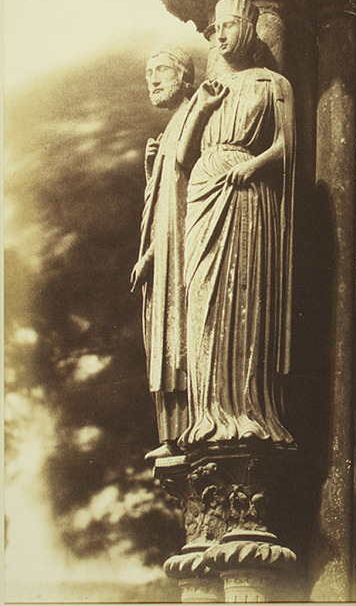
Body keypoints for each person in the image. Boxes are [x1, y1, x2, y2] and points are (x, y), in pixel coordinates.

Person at [176, 0, 296, 448]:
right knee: (202, 296)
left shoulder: (272, 84)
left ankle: (245, 409)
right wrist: (203, 108)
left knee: (240, 299)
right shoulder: (208, 91)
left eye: (228, 27)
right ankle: (208, 413)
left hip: (246, 192)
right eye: (215, 29)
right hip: (205, 189)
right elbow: (184, 157)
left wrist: (253, 165)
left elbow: (286, 146)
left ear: (248, 30)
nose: (219, 36)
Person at [130, 46, 195, 459]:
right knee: (164, 333)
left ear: (184, 76)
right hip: (166, 252)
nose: (153, 79)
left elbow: (185, 195)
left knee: (181, 334)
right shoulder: (171, 127)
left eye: (162, 70)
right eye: (149, 72)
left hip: (185, 249)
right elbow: (162, 204)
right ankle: (171, 435)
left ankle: (187, 430)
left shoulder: (192, 119)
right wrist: (151, 173)